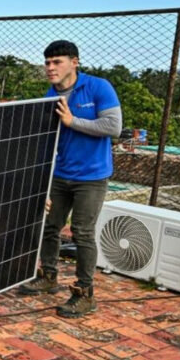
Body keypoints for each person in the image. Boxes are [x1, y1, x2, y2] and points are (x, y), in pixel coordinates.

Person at [18, 40, 122, 318]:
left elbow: (114, 127)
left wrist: (73, 121)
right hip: (59, 174)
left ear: (74, 62)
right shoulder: (50, 95)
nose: (51, 68)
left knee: (82, 232)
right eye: (47, 63)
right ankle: (48, 277)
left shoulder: (98, 87)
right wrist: (41, 180)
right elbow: (44, 141)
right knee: (50, 226)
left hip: (92, 176)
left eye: (57, 62)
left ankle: (84, 293)